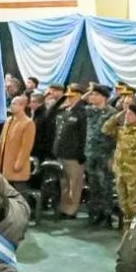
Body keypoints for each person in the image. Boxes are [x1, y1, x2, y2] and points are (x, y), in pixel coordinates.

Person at [82, 85, 115, 226]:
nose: (92, 97)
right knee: (93, 185)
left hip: (105, 154)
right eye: (92, 94)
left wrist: (113, 157)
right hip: (90, 153)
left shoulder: (112, 113)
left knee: (105, 186)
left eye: (96, 94)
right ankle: (95, 213)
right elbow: (81, 102)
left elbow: (115, 137)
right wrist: (90, 89)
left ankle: (106, 214)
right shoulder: (90, 111)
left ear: (104, 97)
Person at [53, 84, 87, 220]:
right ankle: (64, 207)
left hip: (74, 155)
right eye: (68, 97)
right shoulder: (65, 111)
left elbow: (83, 135)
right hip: (61, 152)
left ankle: (71, 210)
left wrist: (81, 154)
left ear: (79, 96)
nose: (69, 99)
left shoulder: (82, 113)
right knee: (64, 183)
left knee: (75, 184)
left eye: (72, 97)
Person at [0, 93, 35, 195]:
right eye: (11, 103)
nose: (11, 106)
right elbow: (1, 141)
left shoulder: (28, 123)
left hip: (17, 168)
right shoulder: (8, 121)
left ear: (22, 106)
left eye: (14, 104)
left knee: (18, 193)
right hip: (4, 165)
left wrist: (18, 164)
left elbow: (26, 147)